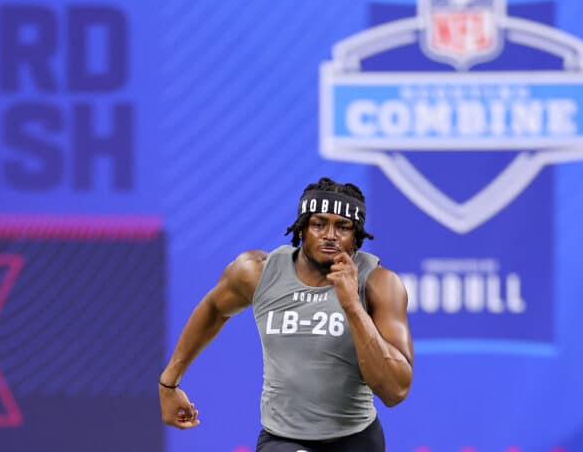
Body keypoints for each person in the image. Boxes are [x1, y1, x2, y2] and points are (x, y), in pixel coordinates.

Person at [159, 177, 414, 451]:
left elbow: (395, 390)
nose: (330, 235)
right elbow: (213, 309)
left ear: (357, 237)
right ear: (302, 227)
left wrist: (352, 306)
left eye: (343, 227)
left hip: (357, 439)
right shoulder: (257, 273)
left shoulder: (379, 284)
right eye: (318, 224)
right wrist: (169, 383)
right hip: (282, 440)